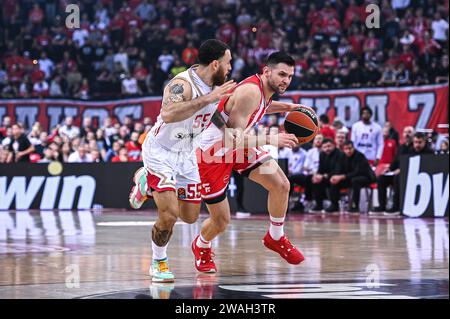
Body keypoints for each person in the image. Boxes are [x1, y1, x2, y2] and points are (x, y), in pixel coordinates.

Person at [127, 39, 235, 282]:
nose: (230, 68)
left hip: (186, 154)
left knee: (190, 216)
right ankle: (159, 262)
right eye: (228, 63)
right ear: (216, 64)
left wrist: (226, 129)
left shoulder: (215, 86)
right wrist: (208, 99)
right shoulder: (181, 84)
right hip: (160, 151)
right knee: (169, 215)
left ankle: (145, 182)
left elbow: (212, 112)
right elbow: (168, 113)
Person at [193, 52, 307, 273]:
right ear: (267, 71)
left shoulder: (263, 90)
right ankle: (201, 245)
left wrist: (290, 108)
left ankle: (276, 236)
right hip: (213, 153)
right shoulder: (251, 92)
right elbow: (230, 138)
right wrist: (273, 139)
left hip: (237, 146)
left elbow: (262, 107)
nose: (286, 80)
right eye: (282, 74)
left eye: (290, 76)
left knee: (281, 184)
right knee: (221, 221)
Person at [373, 129, 433, 214]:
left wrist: (402, 170)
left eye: (420, 142)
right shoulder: (404, 148)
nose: (417, 145)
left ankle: (396, 206)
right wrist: (389, 169)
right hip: (398, 173)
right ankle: (382, 206)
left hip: (413, 177)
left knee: (398, 178)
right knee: (381, 178)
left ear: (424, 142)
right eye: (416, 142)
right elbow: (396, 161)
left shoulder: (429, 152)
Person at [328, 141, 376, 213]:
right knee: (334, 181)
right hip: (349, 178)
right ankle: (334, 205)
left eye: (350, 148)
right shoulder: (342, 156)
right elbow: (338, 169)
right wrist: (335, 176)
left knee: (355, 180)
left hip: (365, 177)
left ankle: (355, 206)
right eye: (346, 149)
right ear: (343, 149)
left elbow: (358, 172)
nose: (348, 151)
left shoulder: (359, 156)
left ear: (353, 148)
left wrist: (342, 176)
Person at [311, 138, 345, 212]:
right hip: (327, 176)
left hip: (340, 177)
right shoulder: (322, 154)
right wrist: (317, 176)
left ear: (334, 145)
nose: (327, 149)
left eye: (329, 146)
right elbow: (320, 169)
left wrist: (323, 176)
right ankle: (319, 205)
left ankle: (334, 205)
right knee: (315, 181)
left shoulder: (340, 154)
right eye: (325, 147)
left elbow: (338, 171)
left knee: (333, 180)